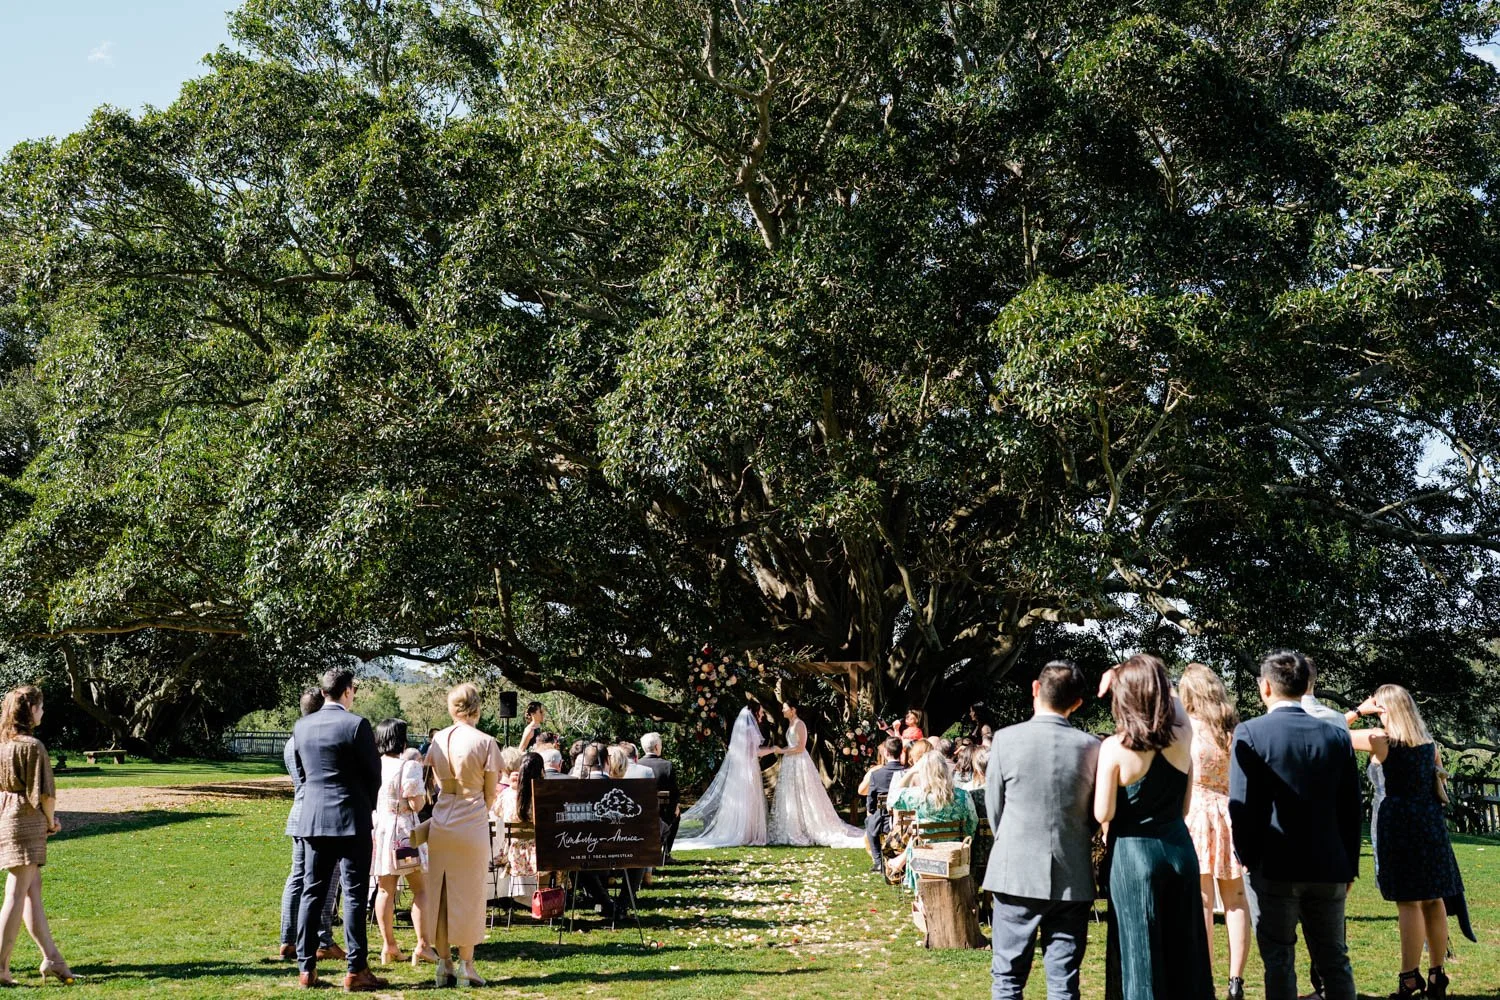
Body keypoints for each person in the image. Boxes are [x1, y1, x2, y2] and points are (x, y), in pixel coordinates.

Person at [1227, 649, 1361, 1000]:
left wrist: (1246, 856)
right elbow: (1350, 808)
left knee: (1279, 959)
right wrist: (1349, 866)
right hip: (1329, 864)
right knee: (1334, 959)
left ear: (1266, 688)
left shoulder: (1250, 732)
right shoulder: (1336, 736)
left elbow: (1241, 807)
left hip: (1273, 865)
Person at [1094, 654, 1213, 1000]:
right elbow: (1186, 805)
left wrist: (1120, 676)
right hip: (1179, 848)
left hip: (1134, 854)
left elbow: (1104, 811)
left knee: (1139, 955)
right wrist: (1155, 680)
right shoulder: (1183, 735)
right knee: (1185, 952)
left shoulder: (1114, 748)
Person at [984, 660, 1098, 1000]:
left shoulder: (1004, 740)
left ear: (1035, 688)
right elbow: (1095, 812)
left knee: (1007, 978)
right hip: (1072, 872)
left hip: (1014, 871)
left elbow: (994, 809)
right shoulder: (1092, 747)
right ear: (1077, 702)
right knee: (1064, 982)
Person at [1348, 685, 1467, 999]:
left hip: (1398, 824)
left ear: (1384, 709)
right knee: (1433, 899)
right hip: (1431, 823)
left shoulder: (1380, 741)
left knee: (1409, 902)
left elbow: (1329, 731)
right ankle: (1437, 974)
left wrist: (1359, 711)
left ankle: (1409, 977)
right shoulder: (1430, 745)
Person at [292, 668, 386, 992]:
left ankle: (306, 968)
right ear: (347, 691)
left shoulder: (302, 727)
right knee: (355, 895)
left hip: (314, 818)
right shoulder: (356, 725)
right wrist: (366, 804)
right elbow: (375, 774)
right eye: (354, 689)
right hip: (351, 818)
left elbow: (303, 773)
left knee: (311, 892)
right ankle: (356, 968)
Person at [422, 682, 502, 988]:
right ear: (477, 708)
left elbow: (431, 784)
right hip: (471, 822)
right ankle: (468, 965)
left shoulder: (438, 740)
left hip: (443, 820)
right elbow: (490, 793)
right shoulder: (485, 742)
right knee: (469, 894)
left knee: (440, 893)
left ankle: (444, 964)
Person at [1179, 663, 1250, 1000]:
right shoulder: (1233, 728)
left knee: (1203, 900)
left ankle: (1203, 976)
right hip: (1230, 813)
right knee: (1236, 899)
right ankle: (1236, 979)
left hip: (1196, 813)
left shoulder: (1186, 729)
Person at [0, 686, 74, 986]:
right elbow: (45, 792)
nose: (42, 712)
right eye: (40, 707)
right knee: (16, 893)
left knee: (31, 891)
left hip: (7, 815)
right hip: (26, 820)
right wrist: (51, 821)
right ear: (30, 709)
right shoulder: (32, 746)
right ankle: (1, 968)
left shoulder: (3, 744)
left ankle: (52, 958)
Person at [369, 718, 438, 967]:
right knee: (420, 888)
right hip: (404, 834)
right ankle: (423, 945)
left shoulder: (374, 764)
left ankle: (388, 945)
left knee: (385, 889)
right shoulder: (408, 766)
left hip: (382, 829)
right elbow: (415, 803)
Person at [279, 688, 340, 964]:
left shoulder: (291, 741)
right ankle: (323, 939)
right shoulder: (315, 739)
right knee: (326, 879)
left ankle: (288, 939)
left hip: (297, 813)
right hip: (318, 815)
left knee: (296, 879)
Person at [766, 699, 867, 848]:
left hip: (799, 762)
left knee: (803, 793)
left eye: (785, 708)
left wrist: (782, 751)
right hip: (790, 763)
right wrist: (783, 750)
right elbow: (792, 745)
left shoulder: (800, 724)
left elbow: (800, 748)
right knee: (792, 795)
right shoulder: (791, 724)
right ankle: (795, 826)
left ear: (793, 710)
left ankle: (810, 827)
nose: (783, 710)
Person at [676, 707, 769, 849]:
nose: (763, 714)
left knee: (746, 801)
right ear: (755, 713)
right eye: (761, 712)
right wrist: (774, 749)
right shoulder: (750, 729)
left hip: (743, 770)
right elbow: (754, 752)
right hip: (749, 770)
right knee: (750, 800)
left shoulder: (743, 729)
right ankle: (747, 834)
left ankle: (746, 832)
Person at [889, 746, 977, 891]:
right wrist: (964, 842)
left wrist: (911, 772)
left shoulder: (918, 796)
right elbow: (972, 823)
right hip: (953, 855)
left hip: (924, 857)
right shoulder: (963, 796)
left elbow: (892, 798)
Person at [494, 752, 547, 903]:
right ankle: (543, 901)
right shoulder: (542, 794)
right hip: (539, 855)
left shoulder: (508, 795)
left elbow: (497, 812)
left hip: (514, 853)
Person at [857, 737, 906, 873]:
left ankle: (878, 861)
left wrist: (872, 811)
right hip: (905, 820)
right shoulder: (907, 772)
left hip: (884, 820)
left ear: (885, 753)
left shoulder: (876, 774)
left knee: (870, 821)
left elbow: (871, 800)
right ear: (901, 752)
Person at [637, 733, 680, 863]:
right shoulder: (667, 766)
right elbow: (674, 793)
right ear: (656, 747)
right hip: (663, 816)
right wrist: (675, 809)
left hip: (640, 814)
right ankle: (666, 853)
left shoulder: (637, 765)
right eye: (660, 745)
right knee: (677, 815)